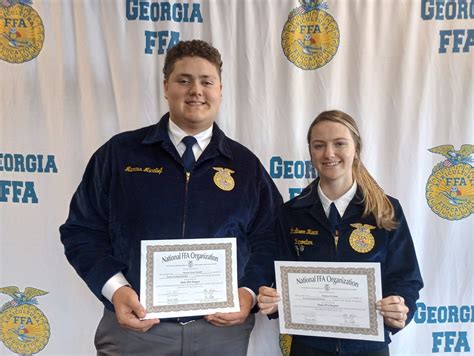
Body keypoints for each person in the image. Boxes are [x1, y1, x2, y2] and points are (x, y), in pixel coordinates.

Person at [60, 39, 282, 356]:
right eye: (184, 80)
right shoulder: (120, 154)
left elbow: (270, 237)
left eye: (207, 81)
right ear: (166, 87)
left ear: (220, 90)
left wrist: (247, 294)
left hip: (220, 335)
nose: (196, 91)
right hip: (135, 331)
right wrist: (116, 290)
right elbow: (81, 231)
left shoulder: (245, 166)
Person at [257, 110, 423, 356]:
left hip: (368, 348)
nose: (329, 154)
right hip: (308, 348)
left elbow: (406, 279)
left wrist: (400, 306)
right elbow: (278, 280)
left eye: (339, 144)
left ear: (356, 148)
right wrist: (271, 302)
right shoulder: (290, 213)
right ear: (310, 152)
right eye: (319, 145)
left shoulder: (386, 210)